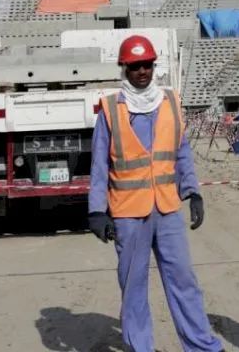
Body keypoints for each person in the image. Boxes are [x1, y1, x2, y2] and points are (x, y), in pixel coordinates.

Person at [87, 35, 222, 352]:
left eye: (146, 64)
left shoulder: (170, 103)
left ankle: (203, 346)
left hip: (167, 210)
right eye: (134, 66)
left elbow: (182, 152)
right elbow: (98, 164)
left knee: (184, 282)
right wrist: (96, 211)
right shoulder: (109, 110)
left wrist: (193, 192)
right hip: (128, 214)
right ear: (124, 69)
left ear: (154, 66)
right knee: (133, 287)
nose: (142, 71)